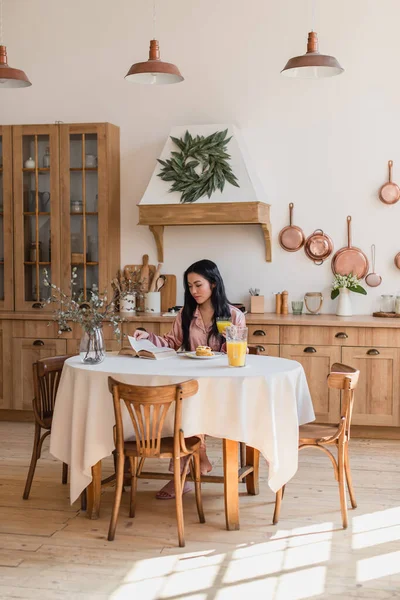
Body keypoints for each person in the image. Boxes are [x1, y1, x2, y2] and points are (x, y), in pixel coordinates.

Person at [133, 259, 246, 499]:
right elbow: (171, 342)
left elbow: (238, 355)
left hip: (221, 386)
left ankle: (184, 473)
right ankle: (192, 465)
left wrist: (232, 339)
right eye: (190, 286)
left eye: (198, 285)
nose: (193, 291)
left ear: (213, 284)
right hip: (192, 383)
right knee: (181, 408)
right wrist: (147, 337)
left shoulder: (233, 316)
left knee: (187, 408)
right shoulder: (186, 314)